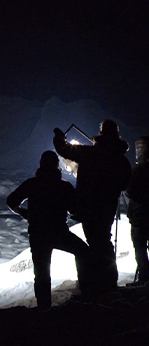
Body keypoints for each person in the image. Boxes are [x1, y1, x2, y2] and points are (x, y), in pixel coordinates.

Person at [53, 119, 131, 296]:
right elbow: (125, 184)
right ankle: (109, 282)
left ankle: (97, 285)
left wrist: (59, 137)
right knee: (103, 239)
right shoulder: (121, 160)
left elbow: (62, 149)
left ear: (101, 134)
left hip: (87, 206)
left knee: (94, 243)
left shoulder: (89, 153)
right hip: (108, 207)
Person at [7, 150, 90, 309]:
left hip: (38, 234)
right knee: (83, 252)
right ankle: (85, 292)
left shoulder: (32, 184)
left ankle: (44, 308)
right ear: (57, 166)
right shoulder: (64, 186)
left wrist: (24, 213)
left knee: (41, 272)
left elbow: (11, 201)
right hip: (59, 232)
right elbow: (75, 209)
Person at [126, 136, 149, 286]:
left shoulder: (135, 171)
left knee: (140, 248)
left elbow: (129, 191)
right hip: (139, 215)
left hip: (139, 216)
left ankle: (144, 277)